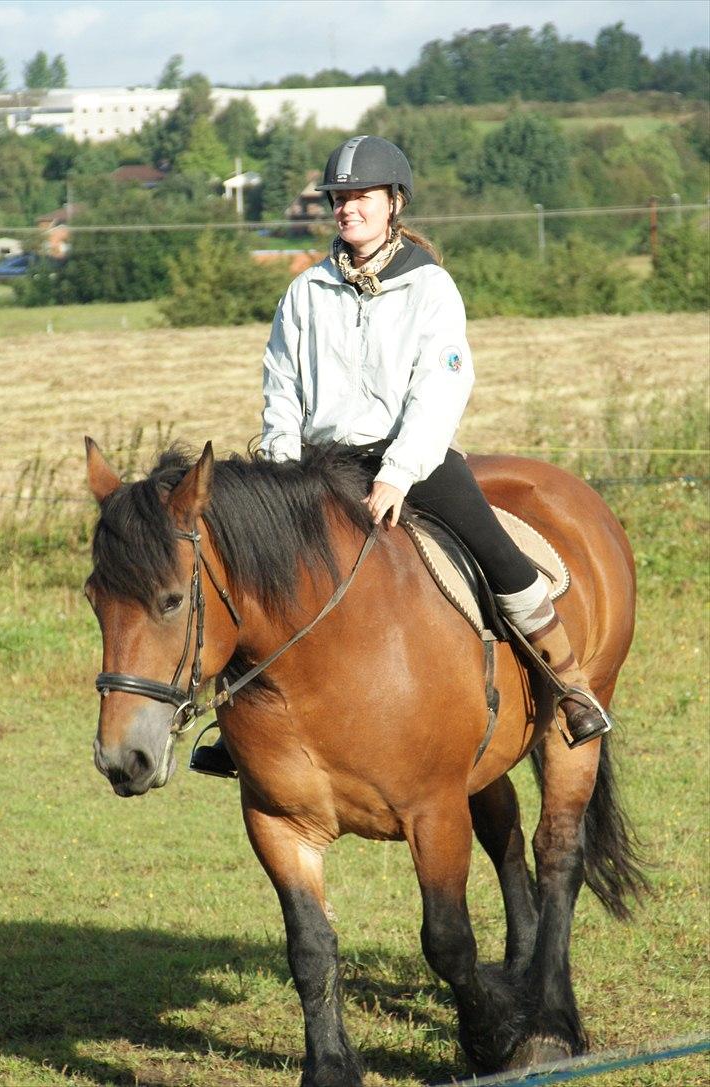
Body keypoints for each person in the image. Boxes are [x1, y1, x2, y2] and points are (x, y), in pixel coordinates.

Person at [191, 135, 611, 777]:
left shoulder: (430, 288)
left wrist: (398, 472)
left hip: (415, 459)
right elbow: (280, 384)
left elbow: (442, 386)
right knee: (261, 580)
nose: (346, 208)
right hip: (317, 466)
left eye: (359, 196)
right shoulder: (305, 293)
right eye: (338, 198)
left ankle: (570, 682)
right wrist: (279, 470)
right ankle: (242, 722)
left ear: (393, 202)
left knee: (495, 548)